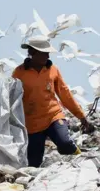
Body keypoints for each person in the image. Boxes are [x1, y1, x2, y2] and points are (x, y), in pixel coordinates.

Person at [12, 35, 92, 167]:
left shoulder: (53, 70)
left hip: (53, 116)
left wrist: (81, 116)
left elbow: (65, 94)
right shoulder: (19, 73)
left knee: (65, 143)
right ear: (32, 53)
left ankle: (84, 162)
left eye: (48, 53)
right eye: (44, 53)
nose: (48, 57)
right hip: (32, 124)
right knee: (34, 163)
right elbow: (12, 98)